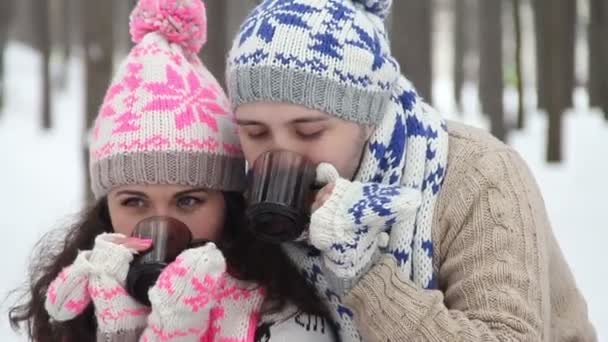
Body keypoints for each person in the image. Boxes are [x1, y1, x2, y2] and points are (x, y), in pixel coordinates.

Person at [226, 0, 598, 341]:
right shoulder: (250, 198)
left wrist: (365, 274)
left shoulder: (475, 174)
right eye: (255, 132)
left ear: (368, 119)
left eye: (309, 130)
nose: (280, 151)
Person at [8, 1, 336, 341]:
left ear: (228, 201)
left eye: (188, 201)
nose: (158, 229)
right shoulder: (80, 302)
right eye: (135, 202)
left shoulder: (282, 312)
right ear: (105, 207)